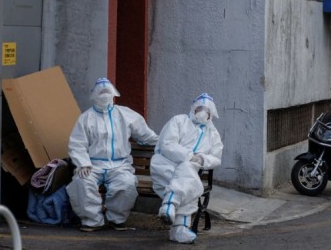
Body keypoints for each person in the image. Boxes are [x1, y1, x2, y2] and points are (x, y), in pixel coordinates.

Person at [66, 78, 158, 232]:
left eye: (107, 92)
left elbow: (146, 135)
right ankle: (92, 221)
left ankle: (116, 219)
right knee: (82, 182)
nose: (104, 95)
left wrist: (166, 143)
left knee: (127, 184)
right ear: (94, 95)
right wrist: (83, 163)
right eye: (101, 93)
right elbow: (77, 143)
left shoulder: (126, 115)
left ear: (114, 95)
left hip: (120, 165)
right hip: (93, 165)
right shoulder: (86, 118)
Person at [150, 93, 223, 244]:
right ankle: (179, 228)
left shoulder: (213, 133)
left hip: (189, 171)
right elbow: (167, 145)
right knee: (190, 182)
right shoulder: (178, 121)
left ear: (211, 114)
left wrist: (202, 159)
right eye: (200, 108)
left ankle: (170, 206)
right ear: (193, 109)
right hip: (166, 165)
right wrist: (189, 156)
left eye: (207, 110)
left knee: (190, 182)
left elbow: (216, 157)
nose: (203, 112)